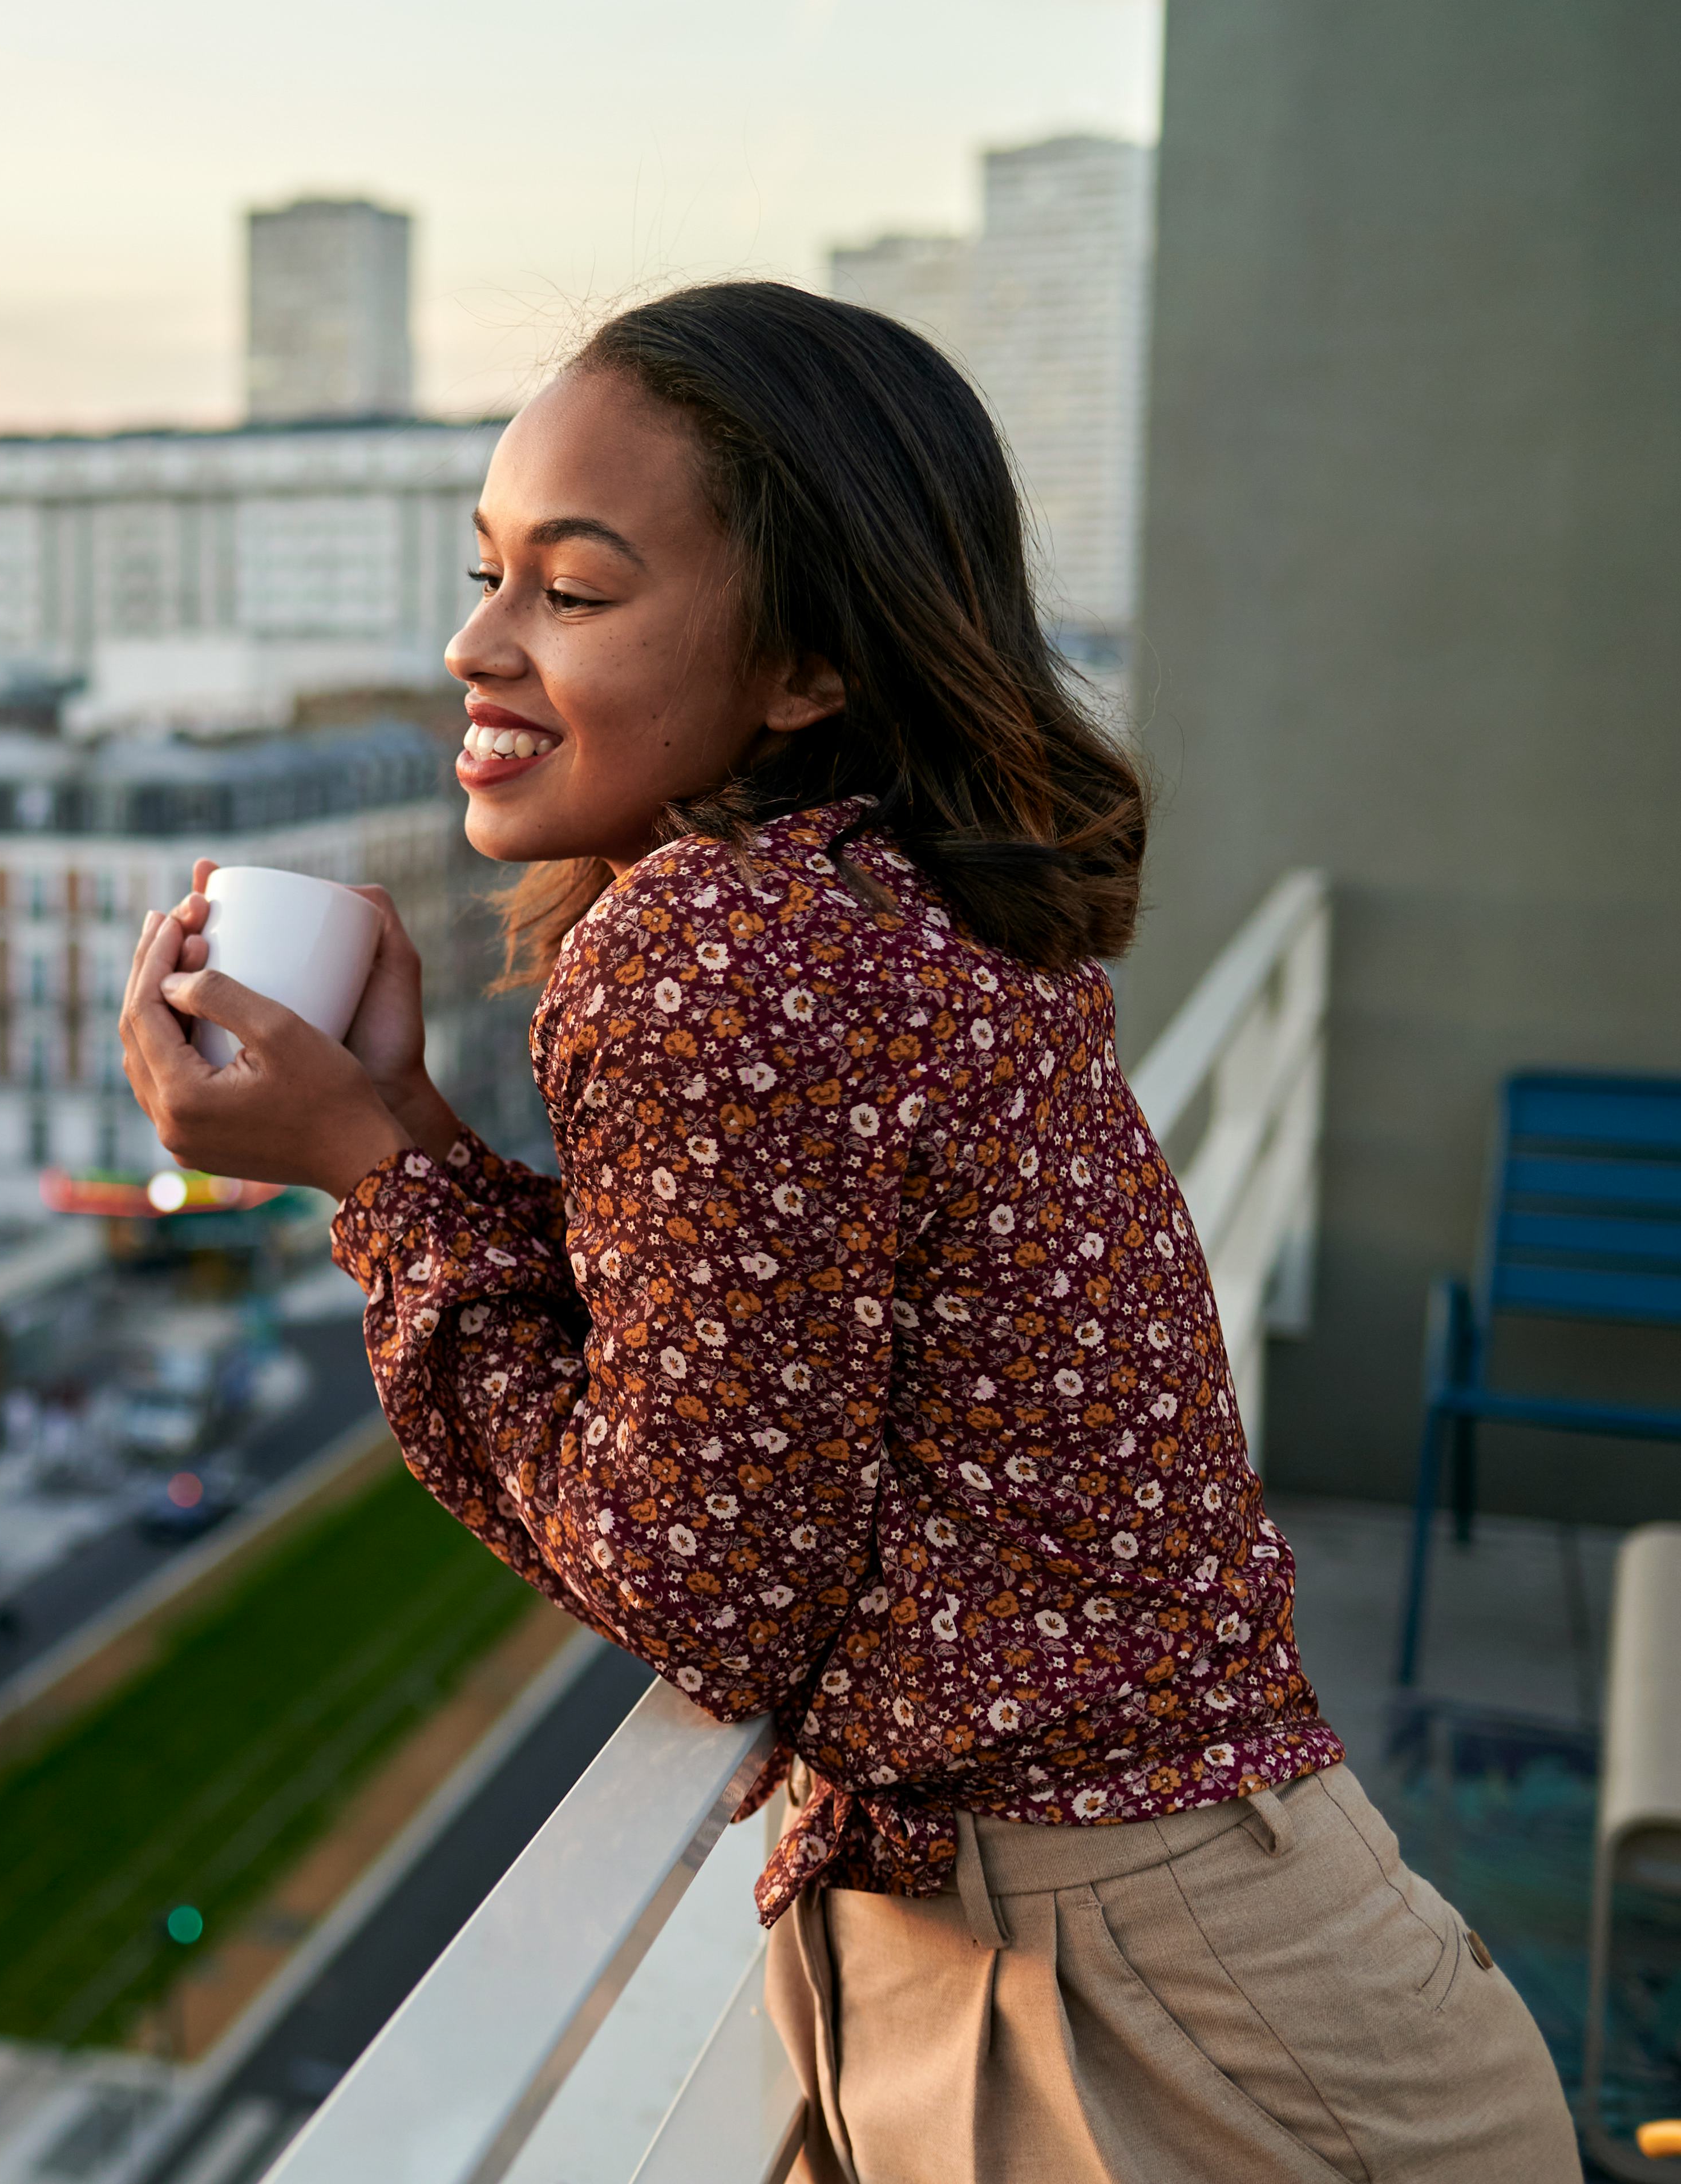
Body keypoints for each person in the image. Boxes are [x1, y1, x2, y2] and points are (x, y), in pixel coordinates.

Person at [119, 282, 1573, 2183]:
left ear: (808, 666)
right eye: (488, 574)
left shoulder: (711, 951)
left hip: (1146, 2016)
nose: (477, 645)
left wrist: (378, 1186)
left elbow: (702, 1578)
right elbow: (748, 1347)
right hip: (1204, 1940)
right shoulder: (879, 905)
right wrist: (393, 1122)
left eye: (573, 589)